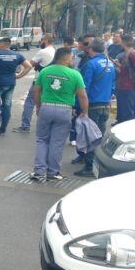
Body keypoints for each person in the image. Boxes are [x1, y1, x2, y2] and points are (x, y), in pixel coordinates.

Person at [29, 47, 89, 182]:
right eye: (72, 57)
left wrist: (38, 106)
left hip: (46, 108)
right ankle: (53, 172)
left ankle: (39, 171)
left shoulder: (45, 71)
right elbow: (83, 96)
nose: (73, 59)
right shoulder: (75, 74)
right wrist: (84, 112)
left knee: (42, 140)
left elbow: (36, 91)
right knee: (57, 142)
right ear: (67, 59)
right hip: (65, 110)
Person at [74, 39, 116, 177]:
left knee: (90, 137)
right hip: (105, 104)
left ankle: (89, 166)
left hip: (92, 105)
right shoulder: (110, 63)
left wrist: (79, 106)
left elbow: (84, 87)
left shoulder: (91, 64)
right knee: (99, 136)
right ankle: (95, 163)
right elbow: (113, 85)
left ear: (91, 49)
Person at [13, 35, 56, 133]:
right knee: (47, 103)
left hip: (39, 81)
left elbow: (29, 65)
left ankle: (25, 126)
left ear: (46, 40)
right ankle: (46, 127)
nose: (40, 42)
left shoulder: (43, 52)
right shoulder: (55, 51)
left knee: (30, 102)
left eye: (41, 40)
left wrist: (18, 76)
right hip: (51, 82)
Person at [114, 34, 135, 123]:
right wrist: (118, 65)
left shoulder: (132, 54)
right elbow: (129, 70)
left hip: (128, 88)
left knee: (128, 115)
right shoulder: (128, 54)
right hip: (126, 88)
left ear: (124, 42)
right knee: (127, 113)